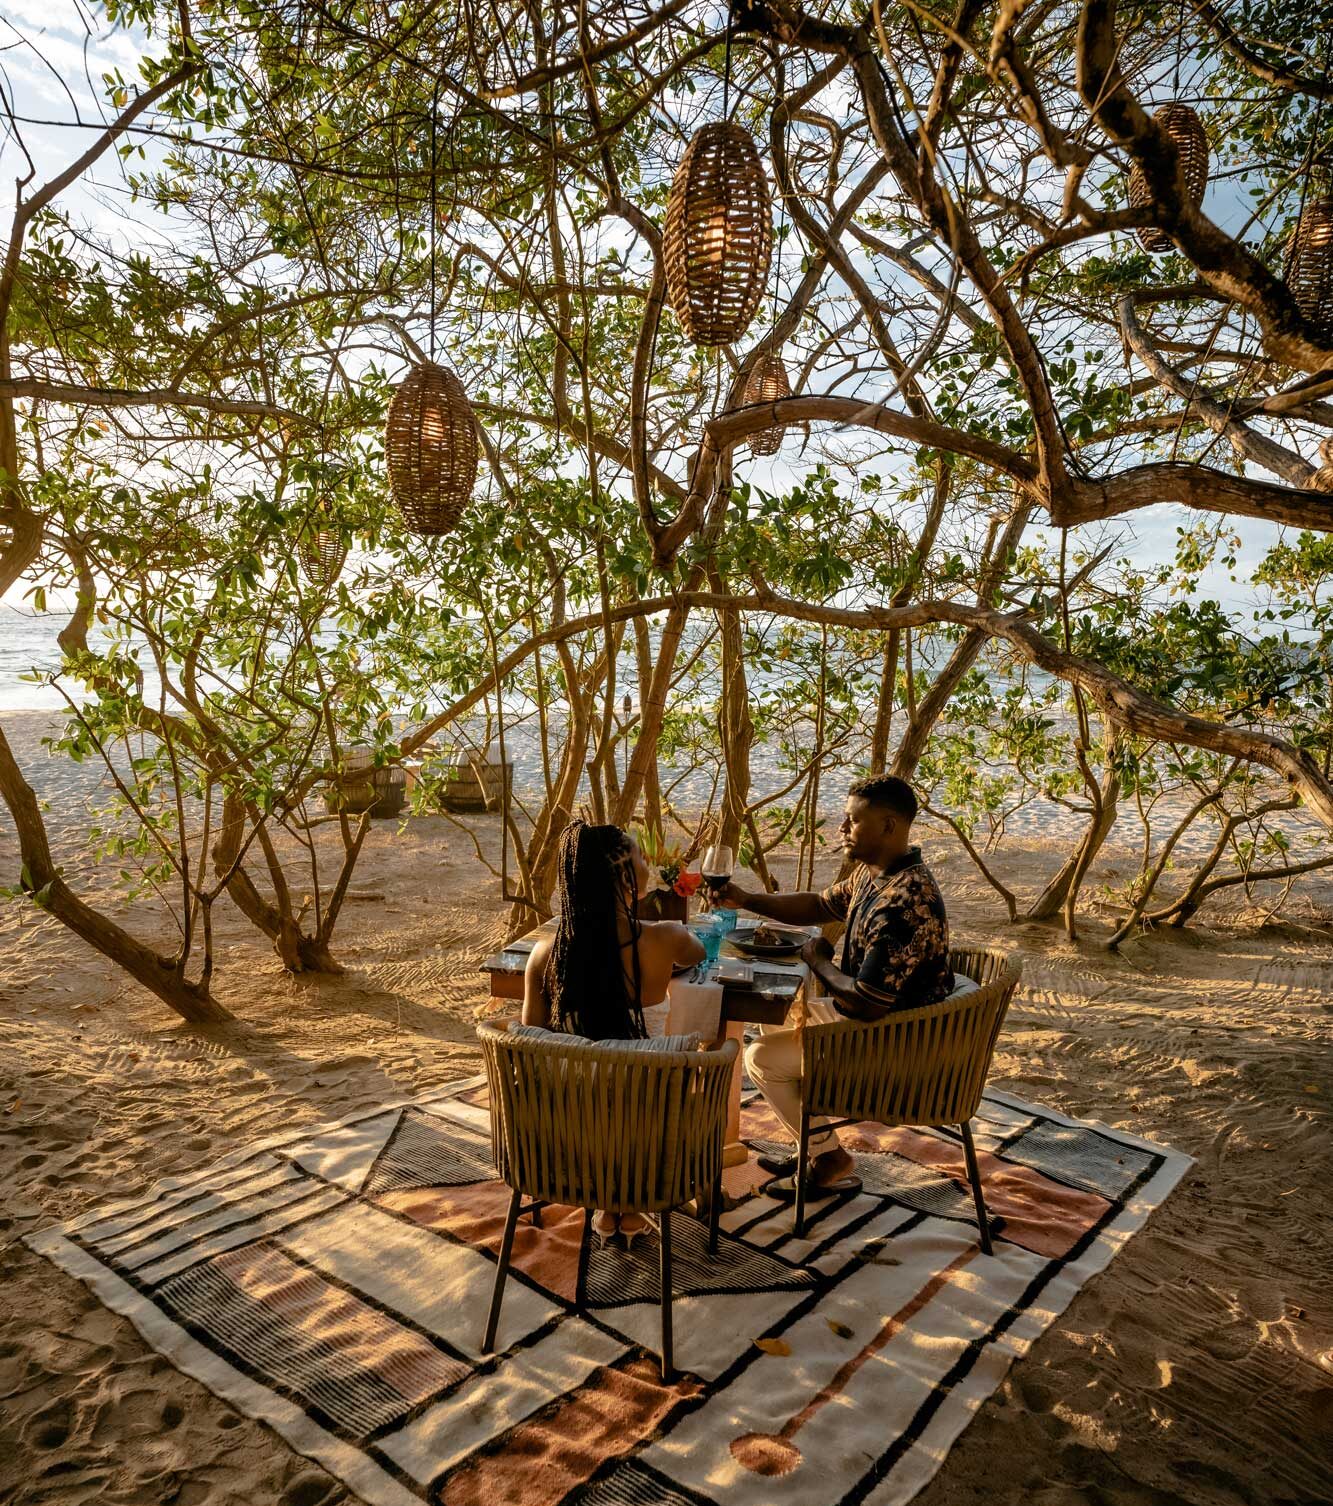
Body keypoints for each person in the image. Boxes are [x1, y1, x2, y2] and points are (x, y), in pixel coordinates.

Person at [711, 774, 954, 1202]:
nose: (842, 828)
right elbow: (820, 905)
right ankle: (815, 1144)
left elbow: (865, 1001)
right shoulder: (878, 876)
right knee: (777, 1012)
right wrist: (746, 899)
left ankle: (829, 1158)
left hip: (893, 1041)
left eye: (853, 820)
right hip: (877, 1020)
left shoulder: (904, 902)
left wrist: (817, 959)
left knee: (761, 1058)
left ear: (889, 826)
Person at [523, 819, 705, 1244]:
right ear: (626, 876)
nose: (646, 864)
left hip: (570, 1127)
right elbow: (698, 952)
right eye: (641, 857)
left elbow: (533, 1043)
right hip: (651, 1125)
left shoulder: (546, 954)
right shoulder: (666, 938)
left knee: (599, 1083)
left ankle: (611, 1201)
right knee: (644, 1083)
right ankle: (631, 1196)